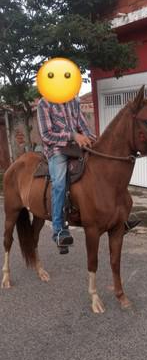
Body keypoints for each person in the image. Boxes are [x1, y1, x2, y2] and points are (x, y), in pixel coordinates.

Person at [37, 96, 96, 248]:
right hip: (57, 149)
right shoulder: (44, 104)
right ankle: (58, 230)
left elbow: (83, 126)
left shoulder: (74, 101)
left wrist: (90, 138)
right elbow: (46, 135)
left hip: (77, 147)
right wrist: (72, 135)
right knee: (59, 184)